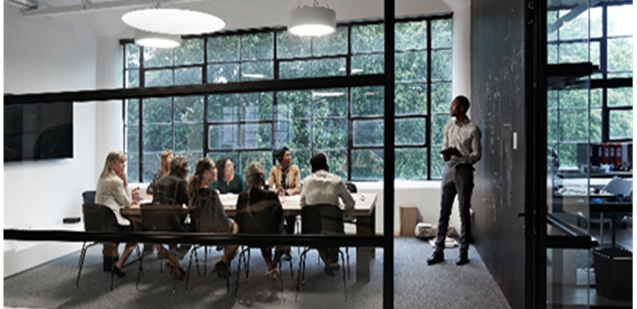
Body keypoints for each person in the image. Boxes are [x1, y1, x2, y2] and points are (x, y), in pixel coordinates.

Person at [427, 95, 482, 266]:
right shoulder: (449, 126)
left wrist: (462, 157)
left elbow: (477, 155)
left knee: (464, 211)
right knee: (444, 211)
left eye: (454, 105)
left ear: (462, 108)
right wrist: (446, 153)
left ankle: (463, 252)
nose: (451, 107)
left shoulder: (473, 129)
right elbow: (444, 148)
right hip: (449, 169)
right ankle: (438, 251)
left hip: (464, 171)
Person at [300, 153, 355, 276]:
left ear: (312, 169)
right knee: (332, 231)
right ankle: (331, 260)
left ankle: (327, 260)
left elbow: (302, 203)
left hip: (312, 230)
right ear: (327, 167)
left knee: (317, 231)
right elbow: (350, 203)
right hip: (334, 228)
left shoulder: (306, 182)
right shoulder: (337, 180)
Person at [188, 157, 239, 279]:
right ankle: (224, 261)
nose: (216, 170)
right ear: (206, 173)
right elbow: (224, 223)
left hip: (198, 233)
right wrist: (232, 223)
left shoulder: (193, 194)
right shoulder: (212, 195)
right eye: (214, 168)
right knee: (237, 229)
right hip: (215, 234)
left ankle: (224, 262)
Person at [95, 151, 140, 278]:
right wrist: (125, 182)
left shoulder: (102, 178)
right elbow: (126, 202)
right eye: (121, 163)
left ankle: (114, 256)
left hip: (103, 221)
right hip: (113, 222)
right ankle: (119, 263)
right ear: (111, 163)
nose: (123, 166)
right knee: (137, 229)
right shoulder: (115, 181)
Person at [237, 162, 286, 278]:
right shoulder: (270, 196)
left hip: (247, 236)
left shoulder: (242, 197)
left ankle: (269, 265)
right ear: (261, 176)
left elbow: (238, 218)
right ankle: (273, 264)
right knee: (284, 230)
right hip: (270, 235)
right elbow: (280, 217)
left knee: (261, 227)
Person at [151, 155, 190, 279]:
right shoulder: (180, 182)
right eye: (185, 167)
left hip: (156, 224)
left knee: (175, 228)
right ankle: (174, 258)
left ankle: (174, 263)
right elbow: (190, 203)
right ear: (178, 169)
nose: (188, 169)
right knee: (193, 231)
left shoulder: (160, 181)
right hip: (173, 224)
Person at [268, 146, 301, 241]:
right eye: (287, 155)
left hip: (290, 201)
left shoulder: (294, 169)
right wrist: (276, 191)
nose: (290, 157)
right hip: (278, 201)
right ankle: (281, 243)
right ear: (280, 158)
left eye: (290, 155)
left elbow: (298, 187)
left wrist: (287, 192)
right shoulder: (275, 169)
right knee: (275, 219)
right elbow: (269, 186)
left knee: (291, 220)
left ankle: (286, 246)